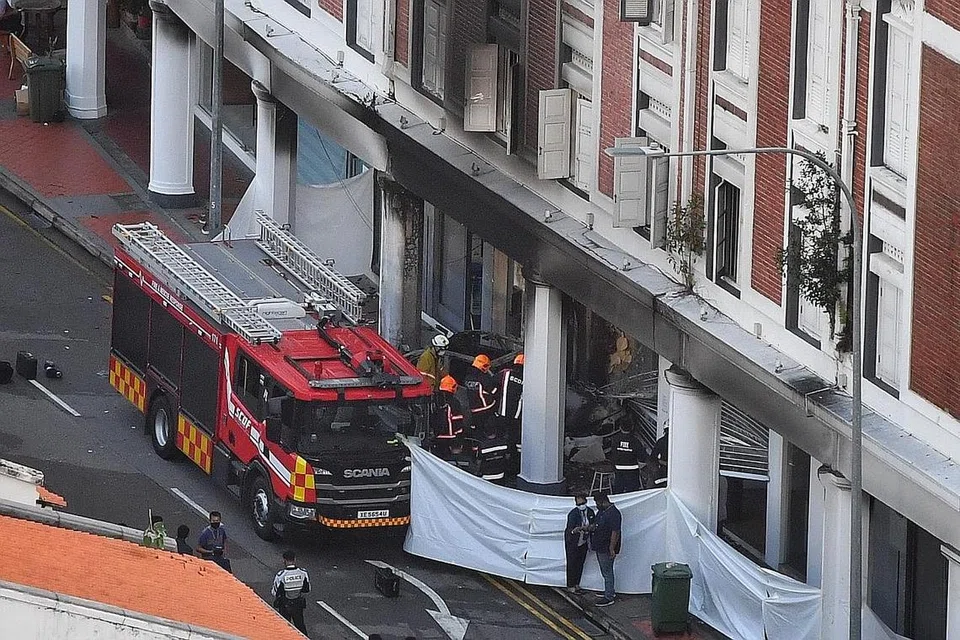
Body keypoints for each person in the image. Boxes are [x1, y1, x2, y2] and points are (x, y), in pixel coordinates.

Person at [589, 493, 622, 607]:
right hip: (600, 545)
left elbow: (615, 532)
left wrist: (612, 548)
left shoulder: (613, 513)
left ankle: (609, 596)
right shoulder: (603, 512)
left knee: (607, 571)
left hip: (606, 547)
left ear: (603, 501)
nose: (596, 505)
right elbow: (597, 525)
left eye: (597, 503)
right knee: (605, 571)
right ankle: (609, 590)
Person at [271, 550, 311, 634]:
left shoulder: (281, 575)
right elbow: (307, 589)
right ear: (295, 559)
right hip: (298, 605)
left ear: (284, 560)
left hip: (284, 605)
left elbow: (275, 592)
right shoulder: (303, 573)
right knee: (300, 627)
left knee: (285, 628)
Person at [430, 375, 469, 459]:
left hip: (436, 437)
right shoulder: (454, 402)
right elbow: (458, 421)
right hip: (450, 439)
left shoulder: (433, 399)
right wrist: (460, 435)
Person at [564, 493, 595, 594]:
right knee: (572, 563)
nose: (581, 505)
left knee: (580, 563)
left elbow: (593, 524)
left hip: (584, 541)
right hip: (573, 542)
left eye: (582, 503)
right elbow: (569, 529)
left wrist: (589, 528)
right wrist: (575, 530)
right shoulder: (573, 514)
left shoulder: (590, 512)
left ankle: (577, 583)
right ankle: (570, 585)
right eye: (579, 504)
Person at [497, 353, 524, 471]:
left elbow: (492, 384)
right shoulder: (527, 377)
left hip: (502, 413)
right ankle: (516, 464)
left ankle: (501, 461)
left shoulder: (505, 373)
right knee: (515, 440)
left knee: (501, 436)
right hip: (517, 416)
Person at [462, 354, 498, 427]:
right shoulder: (483, 377)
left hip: (473, 408)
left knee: (477, 427)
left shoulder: (467, 377)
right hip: (486, 408)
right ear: (483, 366)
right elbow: (493, 390)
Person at [609, 422, 644, 494]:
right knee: (632, 494)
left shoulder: (615, 439)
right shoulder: (635, 440)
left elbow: (612, 454)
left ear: (620, 427)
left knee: (618, 493)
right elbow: (642, 457)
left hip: (619, 471)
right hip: (632, 471)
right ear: (632, 428)